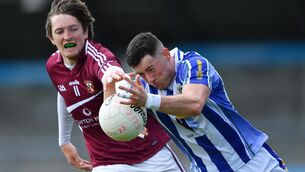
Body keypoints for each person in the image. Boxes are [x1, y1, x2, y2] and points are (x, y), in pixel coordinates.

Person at [115, 32, 288, 172]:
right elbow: (119, 118)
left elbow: (194, 104)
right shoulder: (143, 89)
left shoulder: (193, 64)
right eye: (141, 74)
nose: (149, 78)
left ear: (166, 54)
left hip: (252, 163)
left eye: (151, 69)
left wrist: (147, 100)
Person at [45, 1, 185, 172]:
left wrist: (112, 74)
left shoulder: (97, 57)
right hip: (107, 163)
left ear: (85, 31)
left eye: (73, 29)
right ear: (52, 38)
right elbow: (65, 93)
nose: (67, 36)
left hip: (151, 155)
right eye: (59, 31)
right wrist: (64, 140)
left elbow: (109, 67)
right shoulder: (53, 66)